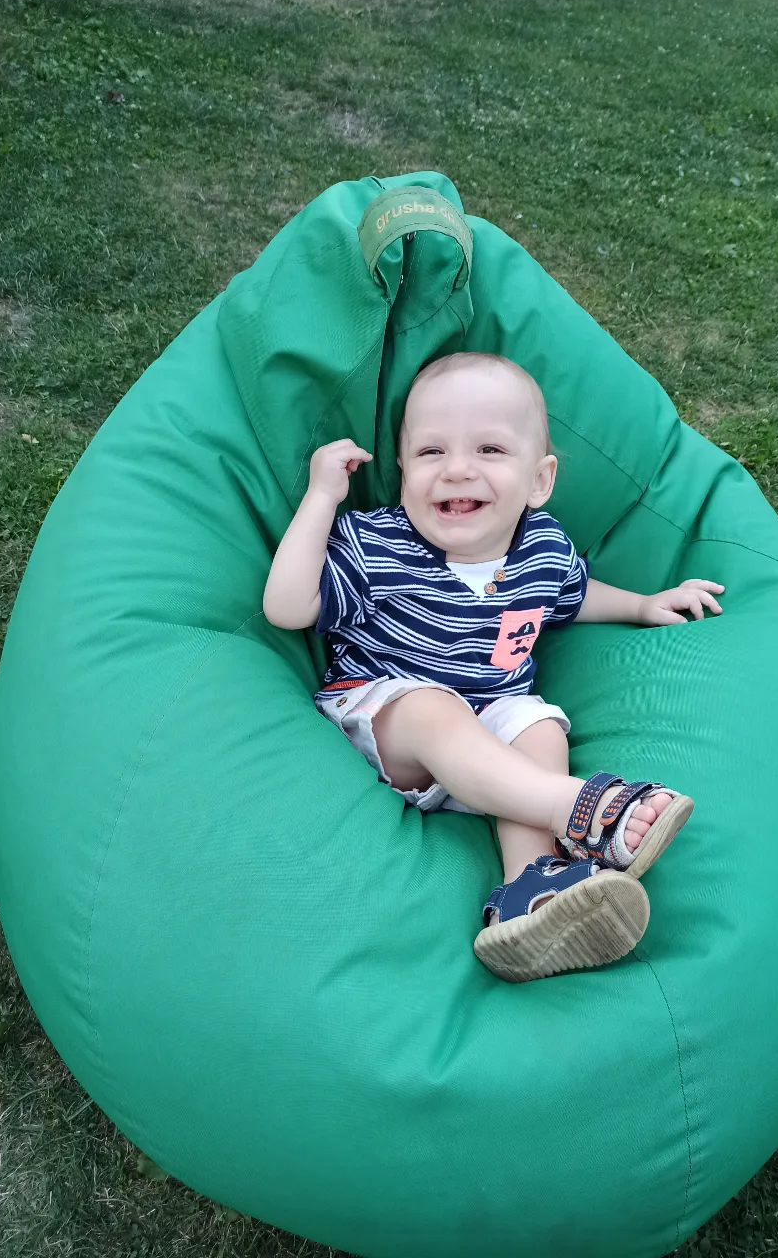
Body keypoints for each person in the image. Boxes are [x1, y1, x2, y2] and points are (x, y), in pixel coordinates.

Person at [263, 353, 724, 982]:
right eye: (429, 453)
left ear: (538, 481)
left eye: (488, 449)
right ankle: (580, 810)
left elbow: (575, 595)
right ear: (401, 470)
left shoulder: (542, 546)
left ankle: (528, 896)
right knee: (436, 708)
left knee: (537, 721)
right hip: (389, 722)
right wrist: (322, 497)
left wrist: (643, 605)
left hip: (489, 738)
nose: (456, 469)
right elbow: (287, 607)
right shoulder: (377, 544)